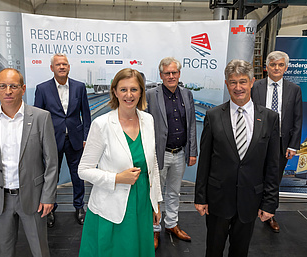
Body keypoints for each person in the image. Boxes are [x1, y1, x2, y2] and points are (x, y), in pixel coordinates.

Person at [194, 60, 280, 257]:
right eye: (233, 82)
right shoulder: (213, 116)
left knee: (240, 251)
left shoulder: (269, 118)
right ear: (226, 84)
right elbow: (205, 160)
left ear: (252, 82)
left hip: (250, 200)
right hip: (218, 199)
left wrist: (269, 203)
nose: (238, 87)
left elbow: (272, 165)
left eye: (243, 82)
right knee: (213, 250)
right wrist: (200, 197)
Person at [78, 68, 163, 257]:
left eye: (134, 89)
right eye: (123, 89)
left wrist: (156, 202)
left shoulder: (148, 120)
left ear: (141, 92)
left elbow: (153, 164)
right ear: (115, 91)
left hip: (142, 201)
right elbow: (83, 170)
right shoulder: (102, 124)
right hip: (112, 204)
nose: (129, 95)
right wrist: (116, 178)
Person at [0, 68, 58, 257]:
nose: (8, 91)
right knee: (4, 251)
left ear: (23, 88)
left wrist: (48, 196)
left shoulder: (40, 117)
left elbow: (51, 162)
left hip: (33, 197)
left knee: (40, 251)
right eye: (3, 86)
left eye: (13, 86)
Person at [34, 53, 91, 226]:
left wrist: (86, 137)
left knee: (78, 175)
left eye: (64, 64)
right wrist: (40, 140)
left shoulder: (79, 87)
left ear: (68, 67)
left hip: (75, 139)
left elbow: (86, 115)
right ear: (52, 68)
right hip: (52, 140)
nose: (61, 67)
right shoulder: (42, 89)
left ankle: (79, 206)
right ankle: (50, 208)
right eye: (58, 64)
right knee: (51, 175)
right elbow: (38, 116)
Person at [146, 57, 197, 249]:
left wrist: (192, 151)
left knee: (174, 192)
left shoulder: (187, 94)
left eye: (174, 72)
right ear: (161, 75)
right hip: (159, 154)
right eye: (167, 73)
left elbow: (191, 124)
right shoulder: (152, 95)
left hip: (179, 153)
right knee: (156, 195)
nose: (171, 76)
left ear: (179, 74)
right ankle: (154, 229)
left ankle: (171, 224)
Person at [251, 51, 303, 233]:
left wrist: (293, 145)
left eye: (280, 65)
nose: (276, 68)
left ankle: (270, 213)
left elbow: (298, 119)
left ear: (286, 68)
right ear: (266, 67)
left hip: (281, 143)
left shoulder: (294, 90)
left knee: (274, 179)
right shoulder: (255, 87)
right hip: (256, 141)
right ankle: (250, 209)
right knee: (253, 176)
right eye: (273, 65)